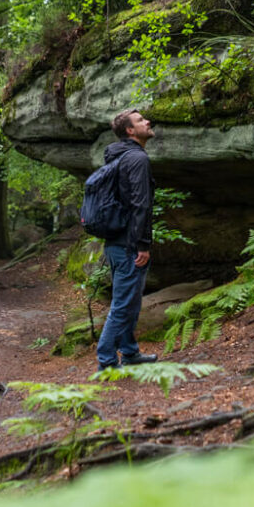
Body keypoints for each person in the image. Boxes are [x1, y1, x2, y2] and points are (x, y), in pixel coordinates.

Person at [97, 109, 159, 371]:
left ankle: (130, 353)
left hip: (115, 242)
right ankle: (107, 362)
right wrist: (142, 244)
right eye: (140, 120)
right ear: (130, 131)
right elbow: (140, 205)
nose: (148, 121)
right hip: (128, 245)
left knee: (130, 302)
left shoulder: (118, 157)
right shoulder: (136, 159)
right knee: (123, 305)